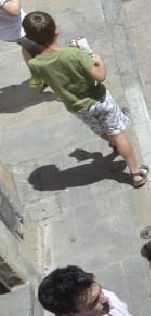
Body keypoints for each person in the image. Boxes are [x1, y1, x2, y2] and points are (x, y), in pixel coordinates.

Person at [17, 12, 143, 188]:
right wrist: (99, 60)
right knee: (118, 132)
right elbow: (100, 76)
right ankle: (136, 173)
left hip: (77, 107)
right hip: (99, 99)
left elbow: (37, 85)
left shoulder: (36, 65)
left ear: (31, 39)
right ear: (56, 30)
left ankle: (114, 144)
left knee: (101, 131)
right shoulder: (73, 54)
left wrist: (29, 59)